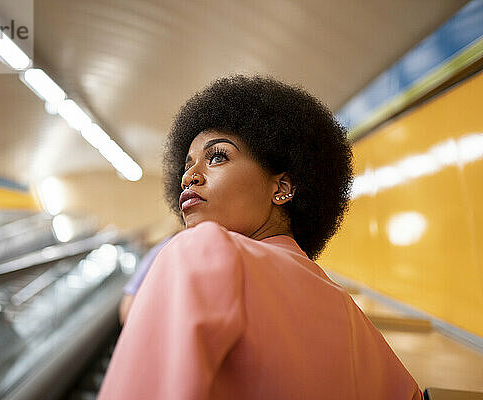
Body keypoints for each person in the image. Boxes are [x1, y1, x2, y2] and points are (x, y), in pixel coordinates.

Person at [98, 75, 423, 399]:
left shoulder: (200, 251)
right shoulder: (350, 313)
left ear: (282, 187)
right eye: (187, 164)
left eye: (217, 157)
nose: (189, 176)